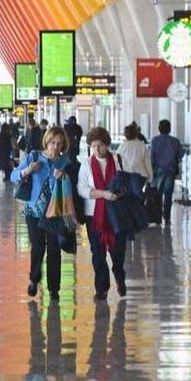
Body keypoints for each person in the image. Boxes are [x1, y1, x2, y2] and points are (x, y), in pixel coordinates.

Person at [12, 126, 76, 299]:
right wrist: (28, 170)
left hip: (55, 213)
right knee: (38, 247)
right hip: (34, 212)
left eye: (59, 144)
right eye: (53, 143)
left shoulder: (65, 163)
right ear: (47, 141)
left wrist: (65, 177)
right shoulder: (34, 157)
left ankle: (54, 289)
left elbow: (73, 187)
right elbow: (13, 175)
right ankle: (34, 278)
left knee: (54, 250)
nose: (55, 147)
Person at [76, 127, 127, 300]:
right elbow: (82, 188)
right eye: (93, 146)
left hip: (116, 213)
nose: (97, 150)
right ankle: (102, 287)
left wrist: (118, 194)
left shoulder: (117, 160)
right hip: (94, 215)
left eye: (100, 146)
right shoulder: (87, 164)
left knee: (117, 251)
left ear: (107, 145)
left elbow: (126, 183)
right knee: (98, 252)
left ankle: (119, 275)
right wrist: (103, 194)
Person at [149, 119, 183, 226]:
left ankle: (158, 216)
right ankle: (167, 216)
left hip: (158, 170)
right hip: (170, 170)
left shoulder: (155, 140)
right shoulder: (175, 141)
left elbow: (152, 156)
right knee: (168, 194)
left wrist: (151, 170)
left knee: (157, 194)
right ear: (169, 129)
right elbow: (181, 154)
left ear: (159, 129)